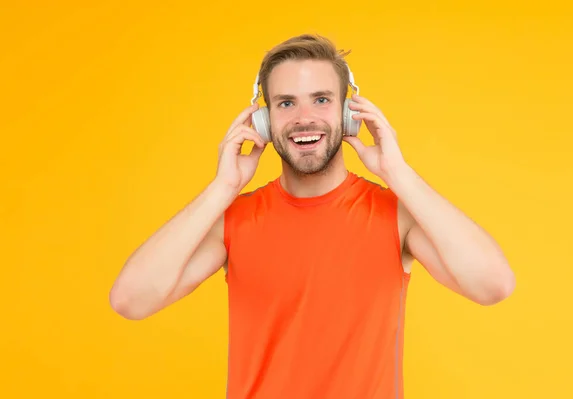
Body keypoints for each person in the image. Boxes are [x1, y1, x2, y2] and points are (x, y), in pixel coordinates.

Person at [109, 34, 515, 399]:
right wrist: (222, 189)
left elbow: (492, 285)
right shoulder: (234, 220)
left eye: (321, 99)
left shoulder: (397, 216)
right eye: (286, 103)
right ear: (265, 122)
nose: (304, 117)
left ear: (348, 113)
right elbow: (131, 300)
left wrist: (398, 174)